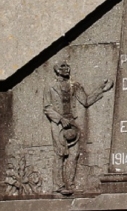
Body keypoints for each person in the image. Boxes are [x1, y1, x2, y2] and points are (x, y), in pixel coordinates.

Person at [43, 61, 113, 195]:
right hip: (58, 125)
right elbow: (47, 108)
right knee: (60, 154)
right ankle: (58, 186)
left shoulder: (74, 85)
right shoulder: (50, 87)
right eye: (63, 67)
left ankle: (70, 184)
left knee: (74, 154)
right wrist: (60, 119)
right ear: (57, 70)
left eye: (67, 66)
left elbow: (86, 101)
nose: (66, 69)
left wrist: (101, 89)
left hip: (72, 123)